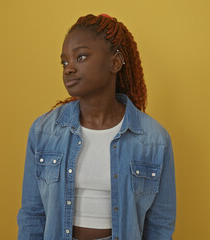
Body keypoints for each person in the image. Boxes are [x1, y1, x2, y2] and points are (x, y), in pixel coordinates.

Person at [17, 13, 176, 240]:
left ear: (115, 62)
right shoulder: (45, 131)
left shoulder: (154, 139)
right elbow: (32, 215)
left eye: (81, 57)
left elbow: (160, 225)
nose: (69, 68)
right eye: (64, 61)